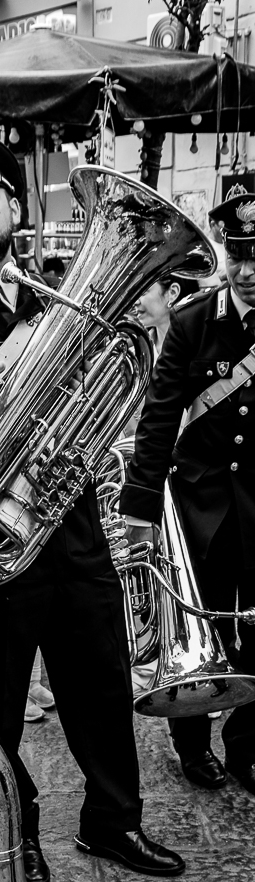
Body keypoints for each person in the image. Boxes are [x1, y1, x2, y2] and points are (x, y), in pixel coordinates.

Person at [0, 131, 185, 882]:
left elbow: (114, 393)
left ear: (15, 207)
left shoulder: (65, 295)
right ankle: (11, 829)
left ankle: (113, 819)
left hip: (71, 520)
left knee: (101, 682)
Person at [120, 193, 255, 794]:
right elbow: (157, 419)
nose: (249, 269)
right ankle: (193, 743)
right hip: (200, 502)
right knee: (197, 631)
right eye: (240, 255)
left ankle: (247, 746)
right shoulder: (197, 321)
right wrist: (140, 510)